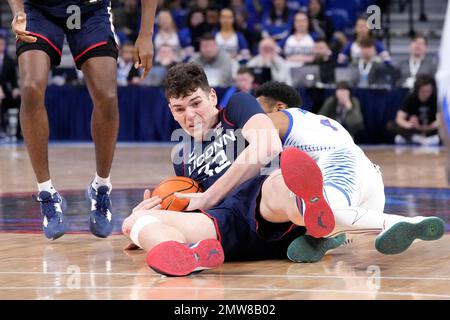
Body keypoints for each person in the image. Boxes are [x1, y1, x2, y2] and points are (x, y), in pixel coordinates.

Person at [122, 63, 337, 276]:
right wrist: (152, 222)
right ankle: (180, 252)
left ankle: (311, 213)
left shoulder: (237, 105)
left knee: (277, 183)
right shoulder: (182, 155)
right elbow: (194, 202)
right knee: (134, 221)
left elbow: (269, 145)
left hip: (264, 207)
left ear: (212, 97)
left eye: (196, 103)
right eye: (180, 109)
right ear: (171, 111)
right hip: (224, 226)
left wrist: (210, 195)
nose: (190, 115)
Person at [8, 0, 157, 240]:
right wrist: (18, 12)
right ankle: (46, 193)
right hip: (40, 10)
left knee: (107, 96)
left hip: (91, 11)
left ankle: (101, 187)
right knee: (30, 87)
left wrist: (146, 34)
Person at [254, 81, 445, 262]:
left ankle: (395, 222)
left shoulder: (278, 117)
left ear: (278, 107)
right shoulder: (322, 121)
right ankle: (328, 238)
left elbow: (244, 141)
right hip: (370, 178)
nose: (252, 113)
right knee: (326, 216)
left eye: (257, 107)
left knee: (315, 212)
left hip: (339, 167)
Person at [388, 75, 441, 146]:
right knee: (391, 125)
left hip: (430, 128)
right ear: (417, 90)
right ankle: (415, 138)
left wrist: (427, 127)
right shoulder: (410, 97)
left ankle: (414, 138)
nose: (426, 94)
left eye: (429, 91)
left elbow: (440, 120)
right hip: (414, 129)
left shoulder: (436, 98)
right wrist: (409, 125)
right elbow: (399, 118)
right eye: (423, 91)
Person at [0, 33, 21, 139]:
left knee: (20, 100)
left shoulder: (10, 61)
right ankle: (2, 129)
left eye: (2, 44)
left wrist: (16, 89)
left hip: (6, 94)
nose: (1, 46)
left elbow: (14, 81)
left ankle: (19, 133)